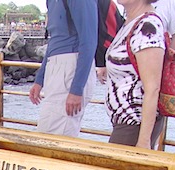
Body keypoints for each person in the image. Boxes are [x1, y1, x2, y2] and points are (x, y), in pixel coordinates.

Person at [29, 0, 97, 137]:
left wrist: (76, 89)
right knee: (48, 133)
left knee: (56, 135)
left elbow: (89, 41)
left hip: (70, 67)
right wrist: (40, 79)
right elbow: (54, 39)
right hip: (57, 67)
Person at [104, 0, 165, 149]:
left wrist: (144, 141)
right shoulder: (131, 23)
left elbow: (152, 87)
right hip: (127, 122)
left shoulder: (147, 27)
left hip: (134, 123)